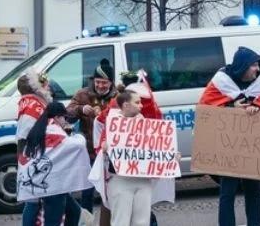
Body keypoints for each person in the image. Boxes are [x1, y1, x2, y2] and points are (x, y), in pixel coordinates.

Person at [199, 46, 260, 226]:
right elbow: (205, 111)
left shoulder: (258, 86)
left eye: (258, 65)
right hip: (228, 148)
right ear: (243, 66)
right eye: (254, 65)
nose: (258, 69)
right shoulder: (219, 83)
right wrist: (230, 108)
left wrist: (259, 107)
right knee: (228, 192)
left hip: (251, 147)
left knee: (253, 191)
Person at [19, 101, 87, 226]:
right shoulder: (55, 130)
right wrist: (78, 135)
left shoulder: (39, 128)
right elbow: (78, 145)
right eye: (64, 118)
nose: (65, 121)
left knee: (74, 212)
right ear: (56, 117)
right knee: (53, 221)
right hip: (53, 186)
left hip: (38, 180)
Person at [99, 88, 160, 226]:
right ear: (126, 105)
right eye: (137, 102)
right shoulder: (113, 123)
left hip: (142, 179)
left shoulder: (144, 122)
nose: (141, 105)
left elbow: (156, 146)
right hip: (120, 179)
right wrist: (105, 146)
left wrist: (170, 156)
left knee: (142, 222)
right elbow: (102, 145)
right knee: (121, 221)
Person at [67, 59, 117, 218]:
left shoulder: (118, 96)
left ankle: (112, 220)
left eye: (104, 82)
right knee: (87, 191)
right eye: (98, 82)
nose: (101, 86)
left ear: (111, 82)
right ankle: (86, 220)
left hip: (111, 152)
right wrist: (81, 109)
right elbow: (67, 113)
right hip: (89, 153)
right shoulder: (83, 94)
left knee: (111, 191)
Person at [16, 70, 53, 226]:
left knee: (35, 201)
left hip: (36, 156)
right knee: (32, 201)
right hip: (33, 157)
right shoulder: (32, 105)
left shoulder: (33, 102)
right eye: (46, 84)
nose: (49, 86)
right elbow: (24, 135)